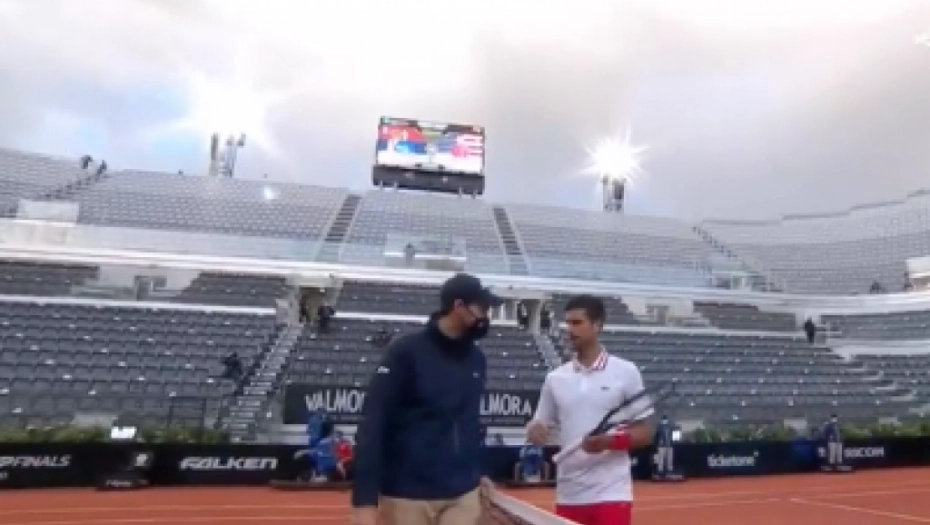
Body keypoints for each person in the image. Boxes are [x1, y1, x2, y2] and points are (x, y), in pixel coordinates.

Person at [351, 273, 502, 525]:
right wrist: (364, 501)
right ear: (458, 306)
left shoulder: (477, 360)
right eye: (482, 309)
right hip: (406, 497)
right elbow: (374, 423)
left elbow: (470, 422)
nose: (486, 317)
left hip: (463, 494)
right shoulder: (405, 352)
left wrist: (480, 472)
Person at [526, 294, 654, 525]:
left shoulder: (626, 372)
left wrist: (608, 442)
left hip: (612, 493)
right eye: (567, 323)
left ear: (597, 325)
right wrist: (535, 431)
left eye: (577, 323)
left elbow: (645, 433)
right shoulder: (555, 378)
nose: (569, 329)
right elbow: (539, 427)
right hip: (568, 494)